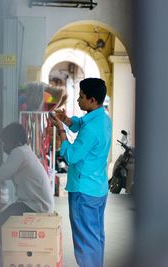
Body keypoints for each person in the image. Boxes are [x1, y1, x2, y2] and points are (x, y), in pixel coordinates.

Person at [49, 78, 111, 267]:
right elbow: (80, 123)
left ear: (92, 100)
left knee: (85, 242)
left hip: (84, 191)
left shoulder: (92, 129)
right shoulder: (102, 118)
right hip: (98, 188)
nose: (78, 100)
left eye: (82, 97)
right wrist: (67, 121)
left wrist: (61, 130)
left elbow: (71, 156)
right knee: (95, 238)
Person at [0, 122, 54, 265]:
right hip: (36, 204)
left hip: (36, 207)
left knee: (1, 221)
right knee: (5, 213)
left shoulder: (18, 153)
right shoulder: (25, 151)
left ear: (13, 141)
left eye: (5, 142)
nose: (3, 146)